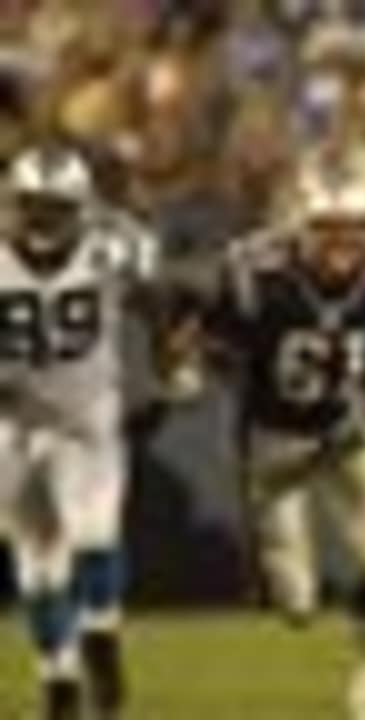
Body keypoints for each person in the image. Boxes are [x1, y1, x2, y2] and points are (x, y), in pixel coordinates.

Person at [161, 162, 365, 720]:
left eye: (354, 229)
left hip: (353, 432)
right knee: (297, 606)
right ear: (300, 229)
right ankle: (281, 576)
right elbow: (202, 335)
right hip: (276, 441)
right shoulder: (254, 269)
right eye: (327, 228)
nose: (341, 242)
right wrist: (185, 368)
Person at [0, 144, 158, 720]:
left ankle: (101, 638)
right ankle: (58, 679)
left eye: (53, 209)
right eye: (30, 208)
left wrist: (167, 362)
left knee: (93, 536)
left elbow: (161, 296)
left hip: (85, 413)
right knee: (37, 558)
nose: (40, 222)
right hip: (8, 422)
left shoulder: (114, 246)